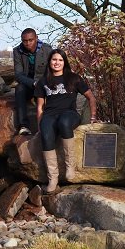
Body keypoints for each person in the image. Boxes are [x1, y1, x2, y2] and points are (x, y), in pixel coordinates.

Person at [35, 49, 96, 194]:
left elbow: (91, 97)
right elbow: (39, 107)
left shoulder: (73, 78)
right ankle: (53, 179)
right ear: (50, 62)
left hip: (70, 114)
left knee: (64, 122)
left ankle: (70, 166)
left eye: (60, 60)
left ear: (64, 62)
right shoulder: (43, 82)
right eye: (54, 60)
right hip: (50, 114)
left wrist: (92, 116)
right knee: (46, 133)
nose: (57, 62)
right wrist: (39, 127)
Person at [13, 28, 52, 135]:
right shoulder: (17, 51)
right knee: (19, 89)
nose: (27, 43)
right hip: (28, 85)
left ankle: (48, 125)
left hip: (44, 84)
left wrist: (43, 84)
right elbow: (18, 74)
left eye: (31, 40)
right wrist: (33, 83)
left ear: (36, 38)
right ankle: (24, 126)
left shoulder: (47, 49)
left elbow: (51, 70)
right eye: (25, 41)